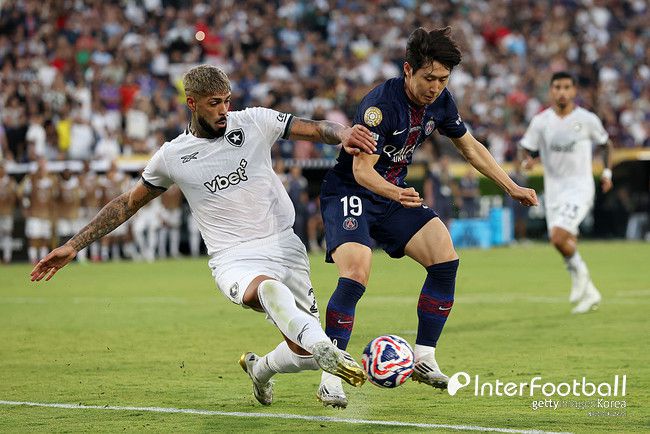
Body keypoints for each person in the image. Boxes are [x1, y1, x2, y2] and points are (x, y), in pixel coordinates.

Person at [30, 64, 377, 406]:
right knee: (270, 291)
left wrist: (343, 133)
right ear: (192, 103)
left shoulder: (254, 121)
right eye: (214, 103)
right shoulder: (173, 156)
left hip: (285, 245)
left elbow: (315, 129)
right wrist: (73, 245)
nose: (224, 110)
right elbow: (127, 203)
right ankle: (325, 348)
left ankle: (261, 369)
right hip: (234, 258)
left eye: (226, 100)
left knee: (304, 355)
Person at [317, 27, 538, 408]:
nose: (435, 87)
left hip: (393, 193)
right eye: (429, 78)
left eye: (443, 79)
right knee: (356, 273)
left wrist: (511, 185)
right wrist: (396, 192)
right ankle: (331, 376)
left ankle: (424, 358)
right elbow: (361, 171)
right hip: (351, 192)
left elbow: (470, 147)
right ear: (408, 70)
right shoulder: (379, 107)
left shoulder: (442, 102)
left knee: (444, 258)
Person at [519, 71, 613, 314]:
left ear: (574, 91)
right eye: (557, 87)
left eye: (566, 87)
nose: (562, 92)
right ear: (551, 90)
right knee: (563, 242)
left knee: (558, 237)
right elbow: (526, 148)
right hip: (554, 191)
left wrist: (607, 173)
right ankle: (590, 292)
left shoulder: (587, 119)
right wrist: (527, 160)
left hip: (580, 188)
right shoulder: (541, 122)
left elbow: (606, 144)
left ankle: (581, 276)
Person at [0, 162, 18, 263]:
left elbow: (15, 196)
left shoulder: (10, 182)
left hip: (7, 212)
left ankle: (7, 257)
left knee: (7, 234)